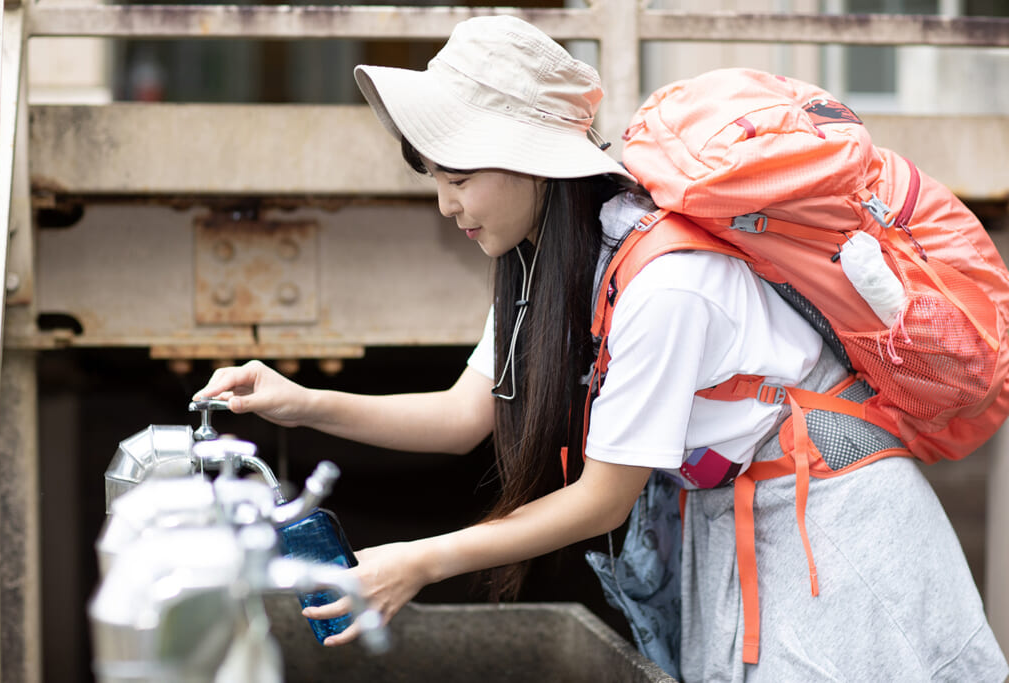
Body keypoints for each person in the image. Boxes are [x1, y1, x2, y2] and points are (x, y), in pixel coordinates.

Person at [194, 15, 1008, 682]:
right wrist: (295, 399)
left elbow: (601, 499)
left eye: (459, 176)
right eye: (433, 177)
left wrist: (418, 562)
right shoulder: (547, 262)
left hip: (834, 535)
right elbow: (461, 414)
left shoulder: (665, 283)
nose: (445, 205)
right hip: (738, 521)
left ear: (531, 162)